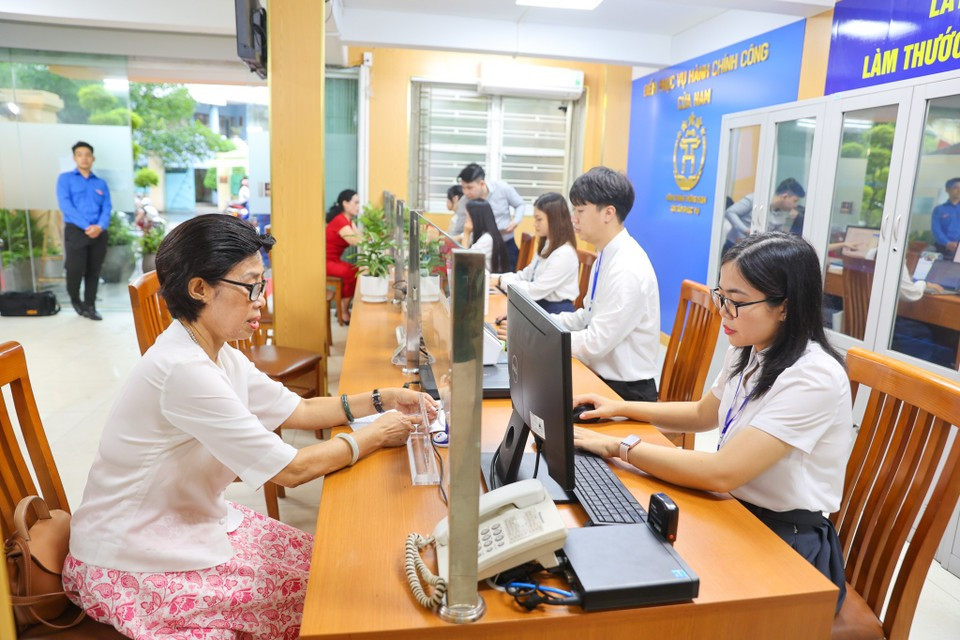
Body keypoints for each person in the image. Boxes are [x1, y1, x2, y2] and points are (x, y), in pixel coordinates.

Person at [62, 214, 436, 638]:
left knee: (330, 566)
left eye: (263, 284)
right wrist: (375, 435)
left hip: (185, 524)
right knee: (334, 595)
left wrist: (384, 398)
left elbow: (300, 410)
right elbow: (292, 470)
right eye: (252, 286)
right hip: (130, 557)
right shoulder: (183, 370)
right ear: (200, 289)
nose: (262, 300)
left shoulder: (214, 351)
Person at [573, 231, 853, 615]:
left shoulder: (813, 376)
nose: (723, 311)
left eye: (736, 302)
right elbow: (703, 414)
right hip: (735, 511)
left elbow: (722, 472)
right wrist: (620, 407)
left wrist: (618, 447)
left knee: (658, 596)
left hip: (785, 542)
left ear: (785, 307)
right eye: (721, 296)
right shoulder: (750, 347)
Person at [553, 167, 661, 402]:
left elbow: (595, 343)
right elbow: (588, 316)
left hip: (625, 393)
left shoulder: (626, 268)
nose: (573, 218)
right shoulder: (607, 254)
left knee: (544, 405)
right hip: (603, 378)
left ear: (608, 213)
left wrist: (544, 339)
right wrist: (546, 323)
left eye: (580, 210)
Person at [491, 192, 579, 314]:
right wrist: (496, 278)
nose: (535, 224)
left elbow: (535, 290)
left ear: (555, 220)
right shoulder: (547, 245)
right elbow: (526, 275)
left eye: (539, 219)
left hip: (555, 312)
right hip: (539, 306)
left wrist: (502, 281)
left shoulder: (564, 254)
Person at [56, 141, 111, 320]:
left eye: (87, 155)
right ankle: (75, 300)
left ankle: (90, 306)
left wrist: (100, 226)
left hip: (99, 232)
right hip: (76, 231)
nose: (84, 158)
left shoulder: (101, 183)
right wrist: (87, 226)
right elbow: (66, 205)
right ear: (74, 158)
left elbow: (107, 207)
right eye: (80, 155)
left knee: (93, 271)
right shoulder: (65, 179)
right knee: (74, 270)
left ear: (93, 158)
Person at [458, 163, 529, 269]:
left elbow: (520, 204)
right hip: (480, 245)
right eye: (463, 188)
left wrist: (515, 221)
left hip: (505, 242)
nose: (466, 192)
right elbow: (460, 226)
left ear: (482, 183)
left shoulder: (502, 188)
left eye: (469, 187)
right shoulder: (464, 200)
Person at [722, 178, 806, 254]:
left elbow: (775, 235)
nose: (795, 205)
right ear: (785, 196)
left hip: (753, 251)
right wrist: (745, 230)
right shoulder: (756, 199)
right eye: (795, 201)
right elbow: (730, 212)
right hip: (734, 246)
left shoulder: (782, 214)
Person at [325, 189, 360, 323]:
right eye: (355, 202)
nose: (358, 206)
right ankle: (343, 311)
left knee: (355, 270)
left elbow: (359, 237)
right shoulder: (340, 221)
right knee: (352, 272)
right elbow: (355, 241)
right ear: (345, 203)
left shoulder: (348, 221)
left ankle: (342, 309)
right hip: (324, 262)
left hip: (333, 260)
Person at [463, 199, 509, 273]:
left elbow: (464, 262)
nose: (465, 221)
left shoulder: (486, 239)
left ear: (476, 218)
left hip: (488, 278)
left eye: (467, 217)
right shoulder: (483, 233)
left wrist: (466, 234)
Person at [931, 177, 960, 259]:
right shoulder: (939, 209)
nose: (959, 190)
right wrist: (947, 243)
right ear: (947, 189)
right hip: (942, 248)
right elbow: (936, 229)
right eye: (955, 187)